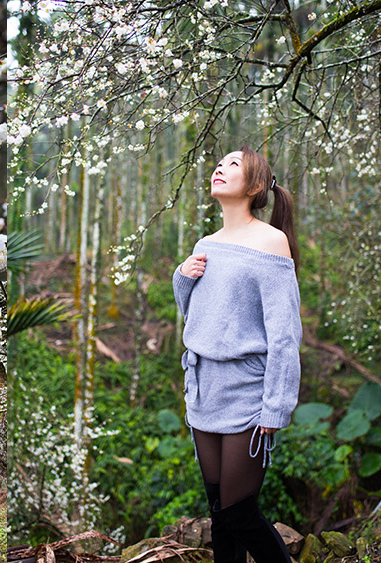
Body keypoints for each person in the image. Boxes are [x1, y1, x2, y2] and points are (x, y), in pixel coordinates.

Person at [172, 145, 302, 562]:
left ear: (257, 185)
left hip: (248, 390)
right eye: (218, 163)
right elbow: (200, 317)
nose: (219, 168)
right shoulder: (206, 242)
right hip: (205, 386)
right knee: (219, 511)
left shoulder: (271, 242)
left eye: (233, 164)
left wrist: (276, 406)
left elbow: (284, 334)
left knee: (239, 512)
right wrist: (182, 277)